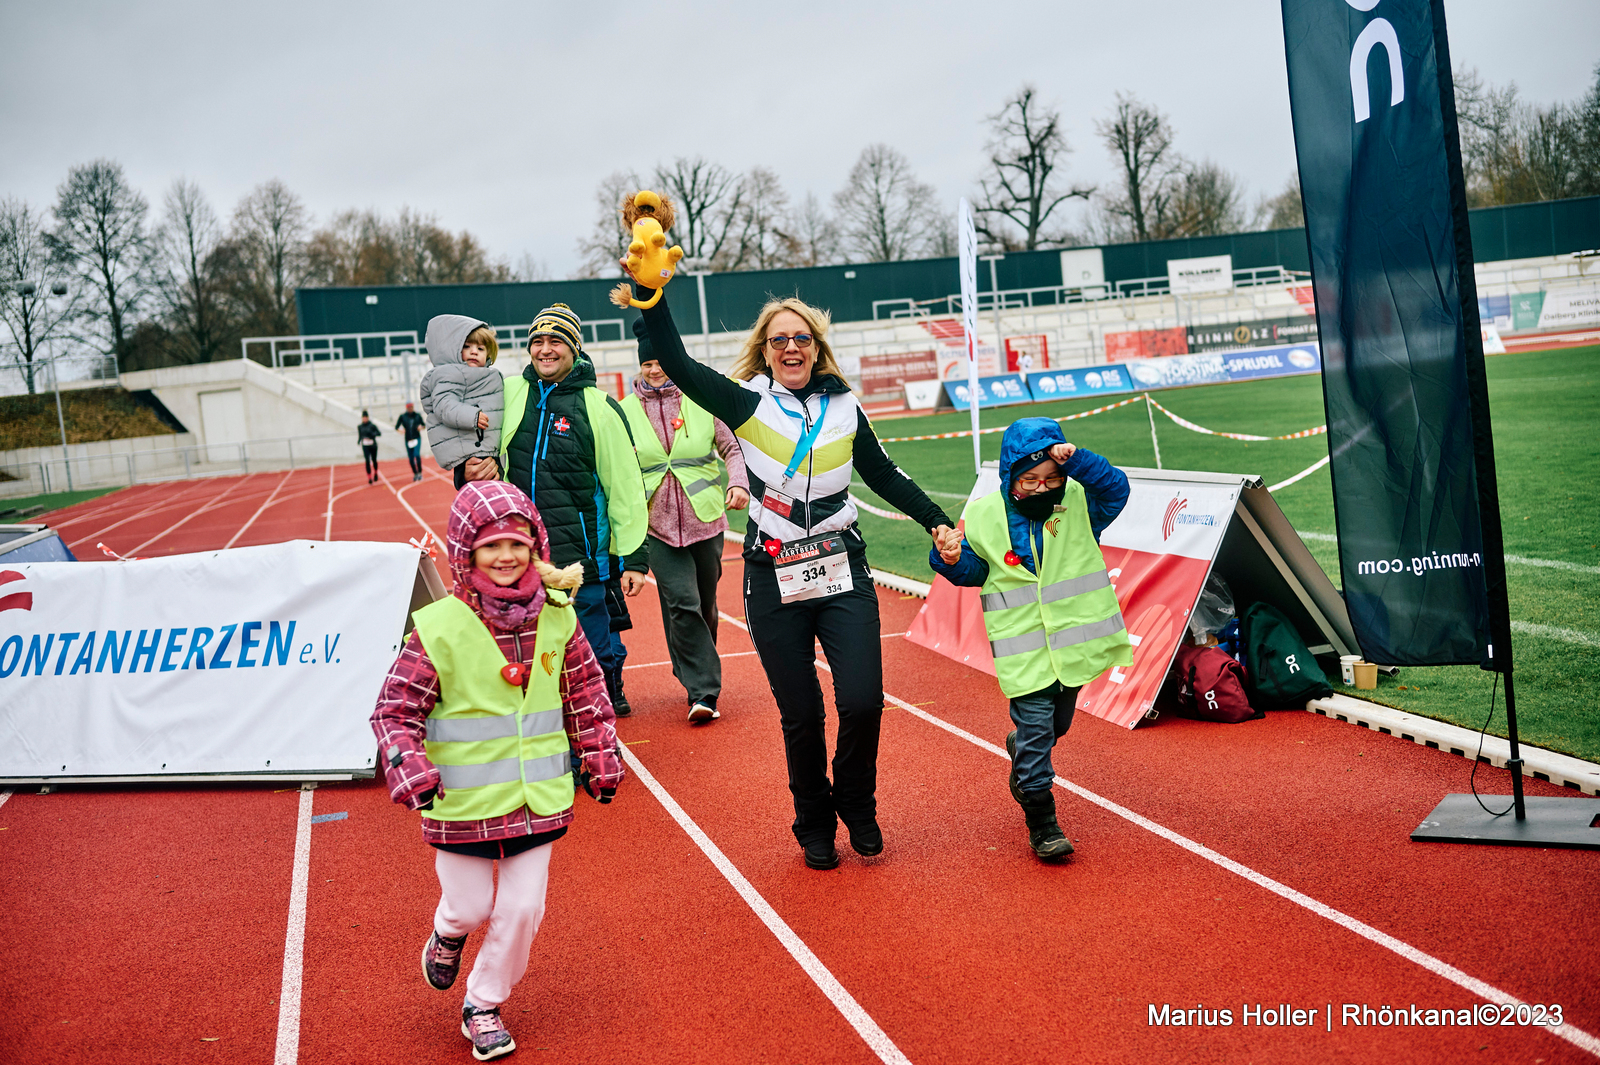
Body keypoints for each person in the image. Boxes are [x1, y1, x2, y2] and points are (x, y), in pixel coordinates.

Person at [628, 274, 958, 870]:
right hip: (771, 572)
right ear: (765, 349)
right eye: (778, 340)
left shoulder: (844, 406)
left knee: (862, 701)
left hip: (842, 567)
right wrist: (652, 295)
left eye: (800, 338)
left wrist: (935, 520)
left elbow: (883, 474)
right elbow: (674, 361)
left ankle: (856, 801)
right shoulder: (745, 401)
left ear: (816, 346)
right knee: (802, 713)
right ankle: (812, 819)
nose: (790, 349)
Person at [371, 480, 623, 1062]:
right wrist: (409, 768)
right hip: (461, 803)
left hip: (541, 797)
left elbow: (585, 690)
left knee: (523, 908)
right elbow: (395, 709)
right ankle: (448, 932)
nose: (506, 556)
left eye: (517, 543)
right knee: (471, 907)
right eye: (490, 546)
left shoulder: (559, 617)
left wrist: (600, 752)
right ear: (466, 553)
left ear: (535, 546)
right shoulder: (438, 628)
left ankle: (483, 1004)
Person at [929, 417, 1131, 861]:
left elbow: (1117, 489)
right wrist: (947, 558)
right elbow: (974, 571)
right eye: (1030, 479)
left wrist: (1075, 461)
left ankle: (1022, 749)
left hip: (1075, 647)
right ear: (1009, 476)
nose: (1043, 488)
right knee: (1039, 731)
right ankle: (1043, 822)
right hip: (1023, 651)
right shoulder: (984, 513)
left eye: (1051, 480)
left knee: (1056, 727)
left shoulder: (1080, 499)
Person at [461, 303, 648, 718]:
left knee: (590, 654)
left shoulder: (598, 406)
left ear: (575, 349)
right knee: (526, 656)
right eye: (538, 342)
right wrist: (468, 469)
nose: (545, 350)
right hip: (517, 554)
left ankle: (595, 739)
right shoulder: (509, 392)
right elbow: (473, 448)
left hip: (580, 559)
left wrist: (633, 557)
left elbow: (626, 488)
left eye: (556, 341)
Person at [619, 316, 750, 724]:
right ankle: (704, 691)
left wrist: (738, 484)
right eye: (647, 364)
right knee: (683, 602)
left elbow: (731, 448)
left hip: (705, 517)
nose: (654, 369)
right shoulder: (621, 411)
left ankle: (689, 664)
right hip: (654, 525)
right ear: (639, 367)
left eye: (660, 361)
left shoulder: (699, 398)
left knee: (704, 605)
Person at [420, 316, 505, 490]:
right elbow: (444, 405)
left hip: (492, 452)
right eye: (467, 347)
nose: (474, 352)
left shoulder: (491, 377)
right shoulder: (449, 374)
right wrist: (471, 417)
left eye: (480, 348)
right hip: (472, 451)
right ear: (454, 350)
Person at [396, 401, 427, 481]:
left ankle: (420, 472)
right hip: (408, 439)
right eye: (409, 407)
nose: (410, 409)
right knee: (411, 458)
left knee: (416, 455)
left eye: (411, 407)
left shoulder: (417, 416)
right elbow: (396, 427)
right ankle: (415, 473)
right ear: (406, 408)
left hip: (416, 438)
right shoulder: (403, 417)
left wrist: (421, 427)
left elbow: (423, 425)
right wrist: (401, 431)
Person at [358, 411, 381, 484]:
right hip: (365, 445)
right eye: (363, 418)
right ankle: (369, 477)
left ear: (367, 418)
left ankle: (376, 473)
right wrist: (359, 440)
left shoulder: (372, 426)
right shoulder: (360, 427)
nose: (364, 419)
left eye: (366, 418)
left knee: (374, 460)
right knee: (367, 461)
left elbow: (379, 433)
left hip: (372, 444)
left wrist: (372, 434)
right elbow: (360, 435)